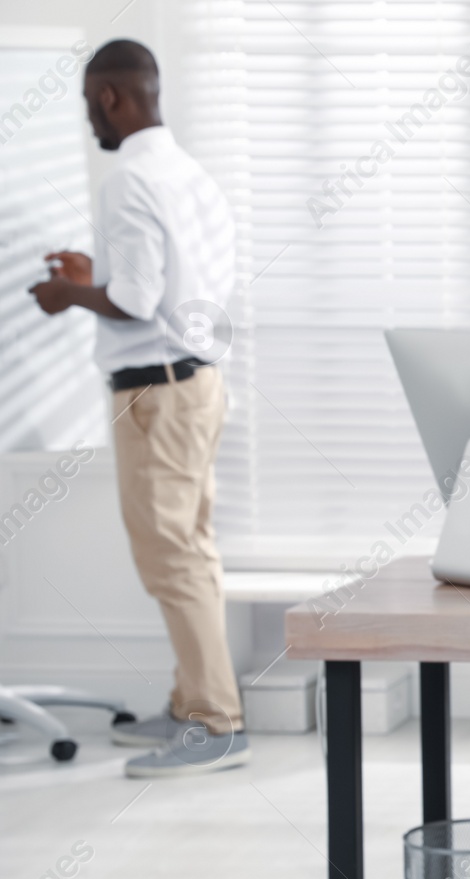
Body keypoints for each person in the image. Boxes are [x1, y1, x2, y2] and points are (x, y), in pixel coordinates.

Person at [28, 40, 244, 778]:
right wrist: (100, 278)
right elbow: (167, 283)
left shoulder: (126, 180)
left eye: (91, 104)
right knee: (192, 549)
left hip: (156, 393)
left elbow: (136, 300)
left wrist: (69, 295)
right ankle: (192, 704)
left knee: (170, 557)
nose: (91, 120)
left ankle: (214, 723)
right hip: (197, 383)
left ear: (113, 97)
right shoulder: (188, 174)